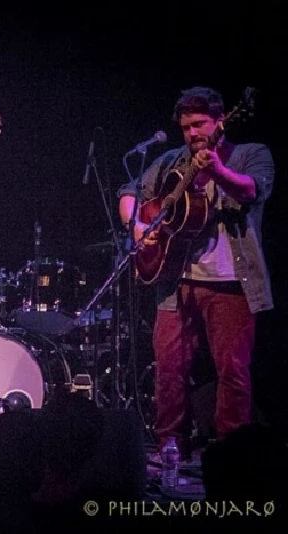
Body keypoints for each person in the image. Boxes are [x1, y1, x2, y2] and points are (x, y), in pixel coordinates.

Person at [117, 86, 274, 461]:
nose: (192, 134)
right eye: (186, 127)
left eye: (199, 124)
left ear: (220, 121)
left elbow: (253, 190)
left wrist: (217, 171)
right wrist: (136, 227)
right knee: (168, 369)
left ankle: (231, 454)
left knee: (232, 372)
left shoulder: (251, 154)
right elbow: (129, 191)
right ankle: (172, 447)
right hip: (176, 281)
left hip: (233, 282)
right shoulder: (172, 160)